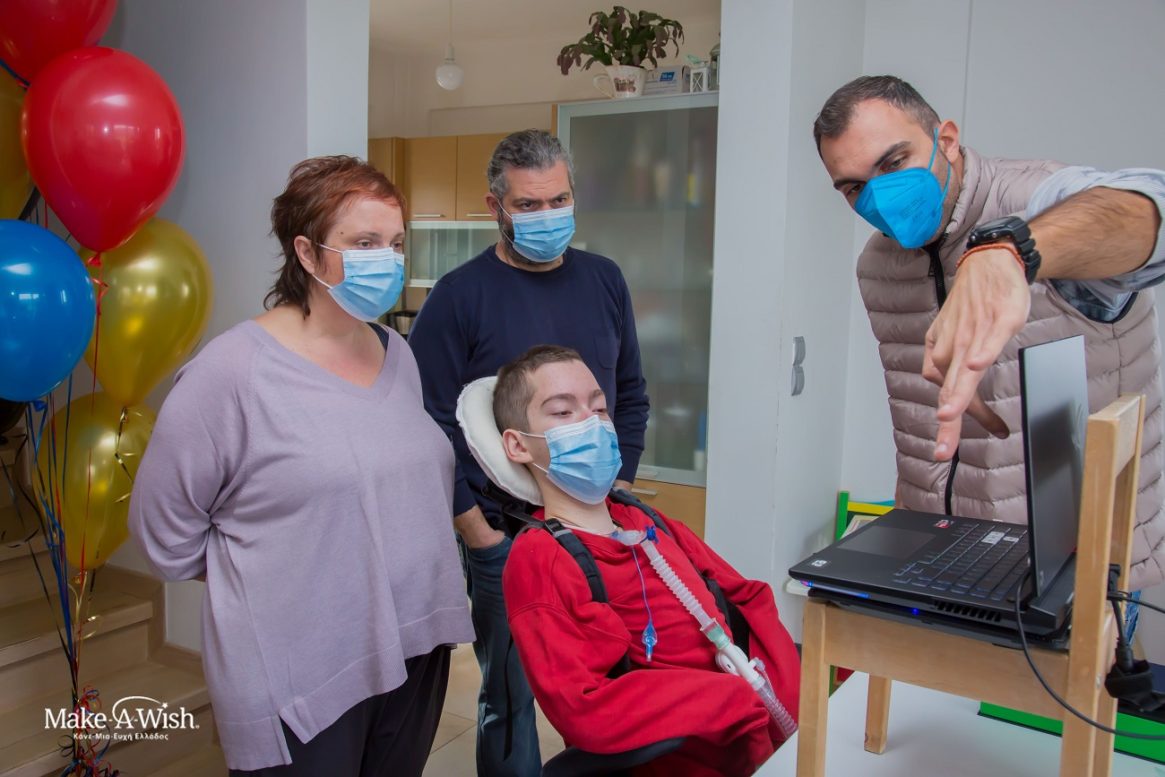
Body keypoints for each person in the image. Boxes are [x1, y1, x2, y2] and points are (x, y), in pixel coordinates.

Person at [128, 156, 474, 775]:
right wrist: (275, 579)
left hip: (414, 645)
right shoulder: (231, 373)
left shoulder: (397, 354)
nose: (387, 259)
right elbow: (164, 533)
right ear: (307, 254)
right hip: (302, 668)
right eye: (363, 243)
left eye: (395, 243)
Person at [813, 75, 1165, 593]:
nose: (879, 198)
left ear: (947, 140)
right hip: (944, 556)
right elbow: (914, 420)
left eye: (893, 163)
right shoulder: (877, 264)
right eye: (854, 187)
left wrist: (1012, 249)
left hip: (1080, 568)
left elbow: (1149, 210)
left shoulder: (1038, 198)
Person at [408, 129, 650, 775]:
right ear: (496, 206)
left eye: (559, 200)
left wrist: (618, 485)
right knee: (510, 698)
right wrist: (477, 533)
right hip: (506, 532)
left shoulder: (604, 280)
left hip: (599, 523)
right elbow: (426, 423)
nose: (548, 216)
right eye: (529, 205)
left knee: (621, 683)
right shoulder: (458, 296)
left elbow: (629, 393)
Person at [487, 345, 799, 776]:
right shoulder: (540, 558)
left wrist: (788, 694)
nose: (592, 423)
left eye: (599, 407)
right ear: (518, 445)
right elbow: (583, 707)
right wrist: (735, 700)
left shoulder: (645, 520)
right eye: (562, 412)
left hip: (760, 735)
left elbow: (747, 598)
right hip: (686, 757)